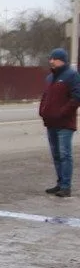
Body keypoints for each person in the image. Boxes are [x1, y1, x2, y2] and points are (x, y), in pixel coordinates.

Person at [39, 48, 80, 198]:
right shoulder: (50, 78)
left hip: (64, 123)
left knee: (65, 154)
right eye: (51, 58)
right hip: (51, 122)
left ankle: (66, 186)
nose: (51, 61)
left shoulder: (72, 76)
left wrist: (62, 112)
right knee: (56, 154)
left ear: (62, 60)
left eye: (54, 58)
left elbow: (76, 97)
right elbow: (45, 96)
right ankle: (60, 182)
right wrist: (42, 111)